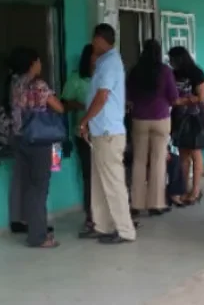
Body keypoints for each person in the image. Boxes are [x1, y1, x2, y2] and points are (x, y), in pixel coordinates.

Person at [78, 24, 135, 244]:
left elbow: (102, 97)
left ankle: (125, 230)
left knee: (113, 182)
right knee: (99, 182)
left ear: (101, 39)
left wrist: (84, 121)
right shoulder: (103, 63)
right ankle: (103, 225)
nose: (93, 44)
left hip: (108, 132)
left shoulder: (110, 63)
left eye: (94, 40)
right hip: (101, 131)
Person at [5, 47, 65, 248]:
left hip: (21, 139)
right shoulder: (38, 85)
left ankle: (32, 226)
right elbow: (58, 107)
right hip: (41, 141)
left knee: (29, 185)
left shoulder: (14, 84)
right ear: (32, 64)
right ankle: (38, 236)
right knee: (39, 187)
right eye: (38, 61)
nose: (41, 65)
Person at [127, 39, 178, 217]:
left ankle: (136, 203)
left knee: (139, 161)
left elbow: (128, 95)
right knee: (158, 161)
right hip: (161, 118)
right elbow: (173, 96)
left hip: (139, 118)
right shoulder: (165, 71)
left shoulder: (135, 71)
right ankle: (156, 203)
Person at [61, 44, 96, 233]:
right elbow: (64, 104)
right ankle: (91, 215)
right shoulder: (77, 78)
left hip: (106, 133)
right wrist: (81, 105)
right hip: (84, 132)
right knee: (89, 174)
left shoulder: (105, 76)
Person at [168, 46, 204, 206]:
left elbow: (201, 97)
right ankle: (184, 188)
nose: (170, 62)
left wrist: (182, 101)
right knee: (183, 153)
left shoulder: (196, 73)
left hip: (194, 117)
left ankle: (196, 190)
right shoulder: (173, 74)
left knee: (195, 152)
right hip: (178, 116)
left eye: (172, 59)